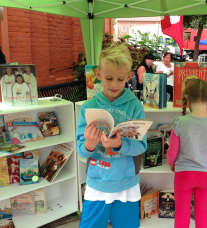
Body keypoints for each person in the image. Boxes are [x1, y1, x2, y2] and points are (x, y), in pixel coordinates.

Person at [76, 43, 147, 228]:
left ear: (129, 75)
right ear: (98, 74)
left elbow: (141, 146)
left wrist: (119, 145)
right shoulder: (87, 107)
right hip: (97, 182)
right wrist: (89, 144)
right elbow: (81, 151)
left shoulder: (135, 106)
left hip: (127, 183)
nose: (114, 84)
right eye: (108, 78)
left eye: (120, 79)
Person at [167, 78, 207, 228]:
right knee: (203, 216)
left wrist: (171, 164)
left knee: (182, 216)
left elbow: (172, 153)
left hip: (183, 175)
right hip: (206, 176)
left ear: (187, 100)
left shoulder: (179, 122)